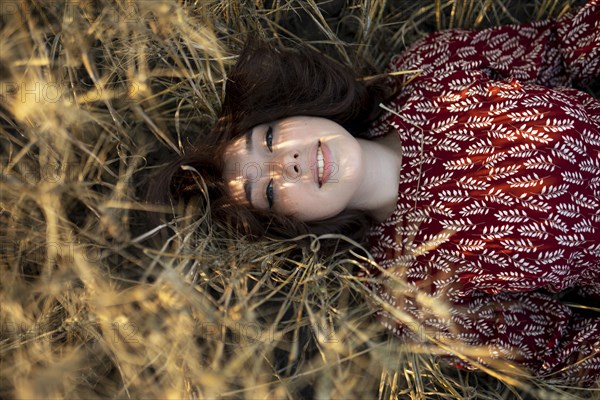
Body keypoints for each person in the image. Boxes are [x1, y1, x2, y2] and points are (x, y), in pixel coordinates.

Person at [149, 0, 600, 385]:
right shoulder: (409, 294)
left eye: (267, 138)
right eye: (267, 189)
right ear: (291, 223)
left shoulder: (428, 70)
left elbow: (562, 46)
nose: (286, 160)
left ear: (291, 111)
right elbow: (560, 348)